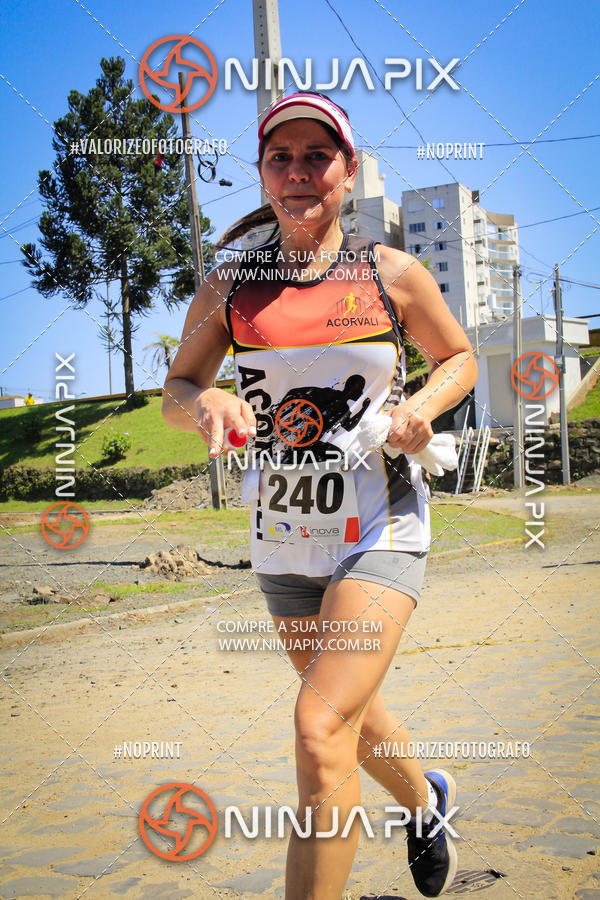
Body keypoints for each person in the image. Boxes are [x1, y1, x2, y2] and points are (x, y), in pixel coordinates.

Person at [163, 91, 478, 899]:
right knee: (351, 714)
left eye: (317, 156)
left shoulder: (388, 273)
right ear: (263, 172)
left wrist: (421, 410)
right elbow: (178, 384)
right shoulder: (233, 282)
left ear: (349, 169)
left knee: (318, 724)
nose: (299, 173)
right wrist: (209, 404)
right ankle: (427, 801)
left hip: (381, 524)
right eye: (281, 157)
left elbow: (459, 358)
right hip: (284, 537)